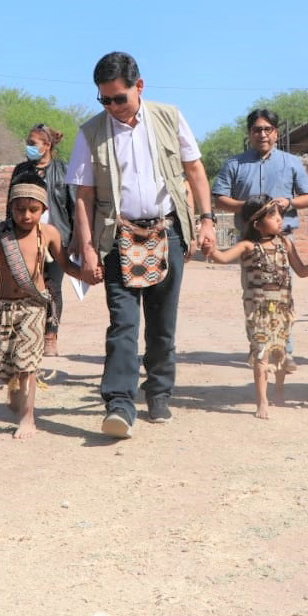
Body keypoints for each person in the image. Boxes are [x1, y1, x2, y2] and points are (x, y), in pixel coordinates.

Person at [67, 51, 216, 438]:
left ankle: (159, 392)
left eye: (119, 98)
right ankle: (119, 403)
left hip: (167, 233)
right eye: (104, 99)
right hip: (117, 239)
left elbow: (195, 170)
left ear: (139, 86)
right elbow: (82, 196)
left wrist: (206, 219)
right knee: (123, 324)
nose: (112, 106)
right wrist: (85, 247)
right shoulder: (90, 132)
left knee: (163, 324)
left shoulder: (169, 117)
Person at [0, 173, 79, 439]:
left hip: (34, 306)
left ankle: (28, 416)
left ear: (43, 209)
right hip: (5, 309)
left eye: (33, 210)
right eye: (20, 209)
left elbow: (65, 265)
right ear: (11, 207)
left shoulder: (49, 233)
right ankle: (16, 393)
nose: (26, 216)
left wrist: (88, 274)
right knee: (3, 364)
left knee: (27, 363)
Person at [201, 195, 308, 419]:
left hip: (283, 309)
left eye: (280, 215)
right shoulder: (248, 246)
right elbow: (222, 257)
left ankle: (278, 391)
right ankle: (262, 401)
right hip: (258, 311)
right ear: (256, 223)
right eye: (272, 215)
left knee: (280, 351)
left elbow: (302, 270)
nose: (279, 220)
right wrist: (210, 249)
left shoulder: (285, 243)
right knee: (261, 353)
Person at [212, 109, 308, 371]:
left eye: (268, 129)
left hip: (282, 240)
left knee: (282, 296)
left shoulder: (291, 162)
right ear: (249, 134)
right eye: (257, 129)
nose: (263, 134)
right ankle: (258, 346)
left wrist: (288, 202)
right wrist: (249, 208)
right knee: (254, 296)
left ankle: (284, 350)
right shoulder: (235, 164)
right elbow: (219, 197)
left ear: (276, 133)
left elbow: (307, 196)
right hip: (249, 244)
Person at [11, 124, 75, 357]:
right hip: (25, 237)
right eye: (28, 143)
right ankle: (26, 333)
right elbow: (12, 204)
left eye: (33, 143)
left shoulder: (64, 171)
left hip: (56, 238)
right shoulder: (20, 170)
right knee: (25, 285)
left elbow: (73, 207)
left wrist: (75, 239)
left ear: (47, 145)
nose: (29, 147)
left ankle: (50, 335)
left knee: (52, 286)